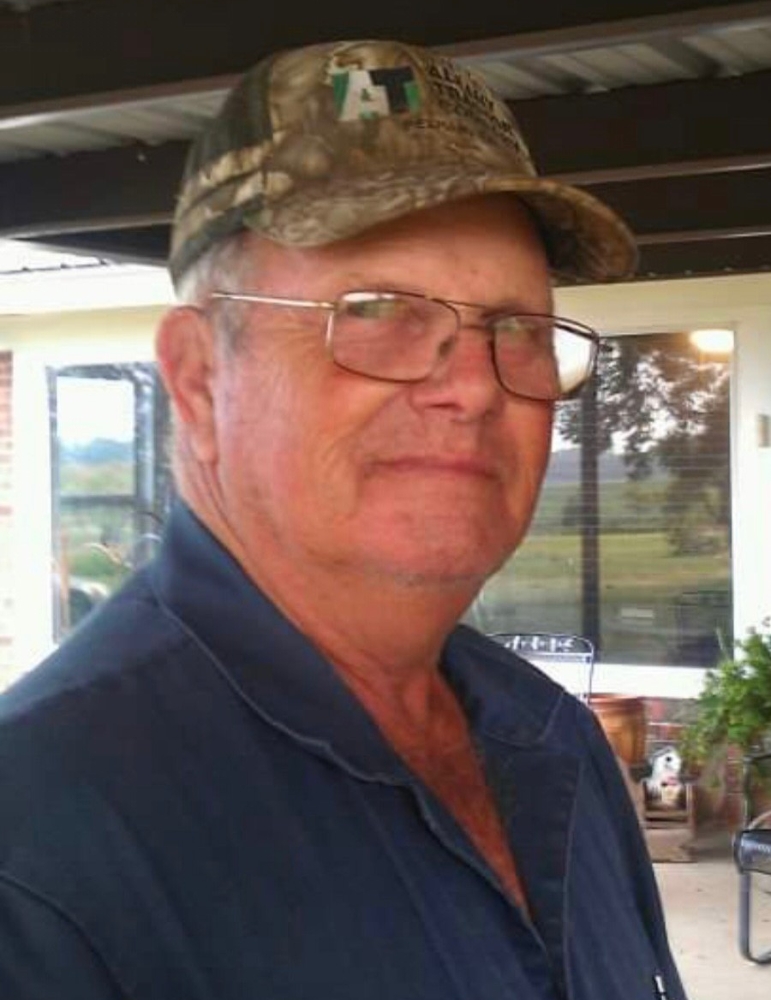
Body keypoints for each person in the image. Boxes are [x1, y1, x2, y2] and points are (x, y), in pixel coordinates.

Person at [0, 38, 686, 1000]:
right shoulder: (37, 844)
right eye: (375, 311)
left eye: (518, 330)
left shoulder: (554, 742)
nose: (471, 387)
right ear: (198, 380)